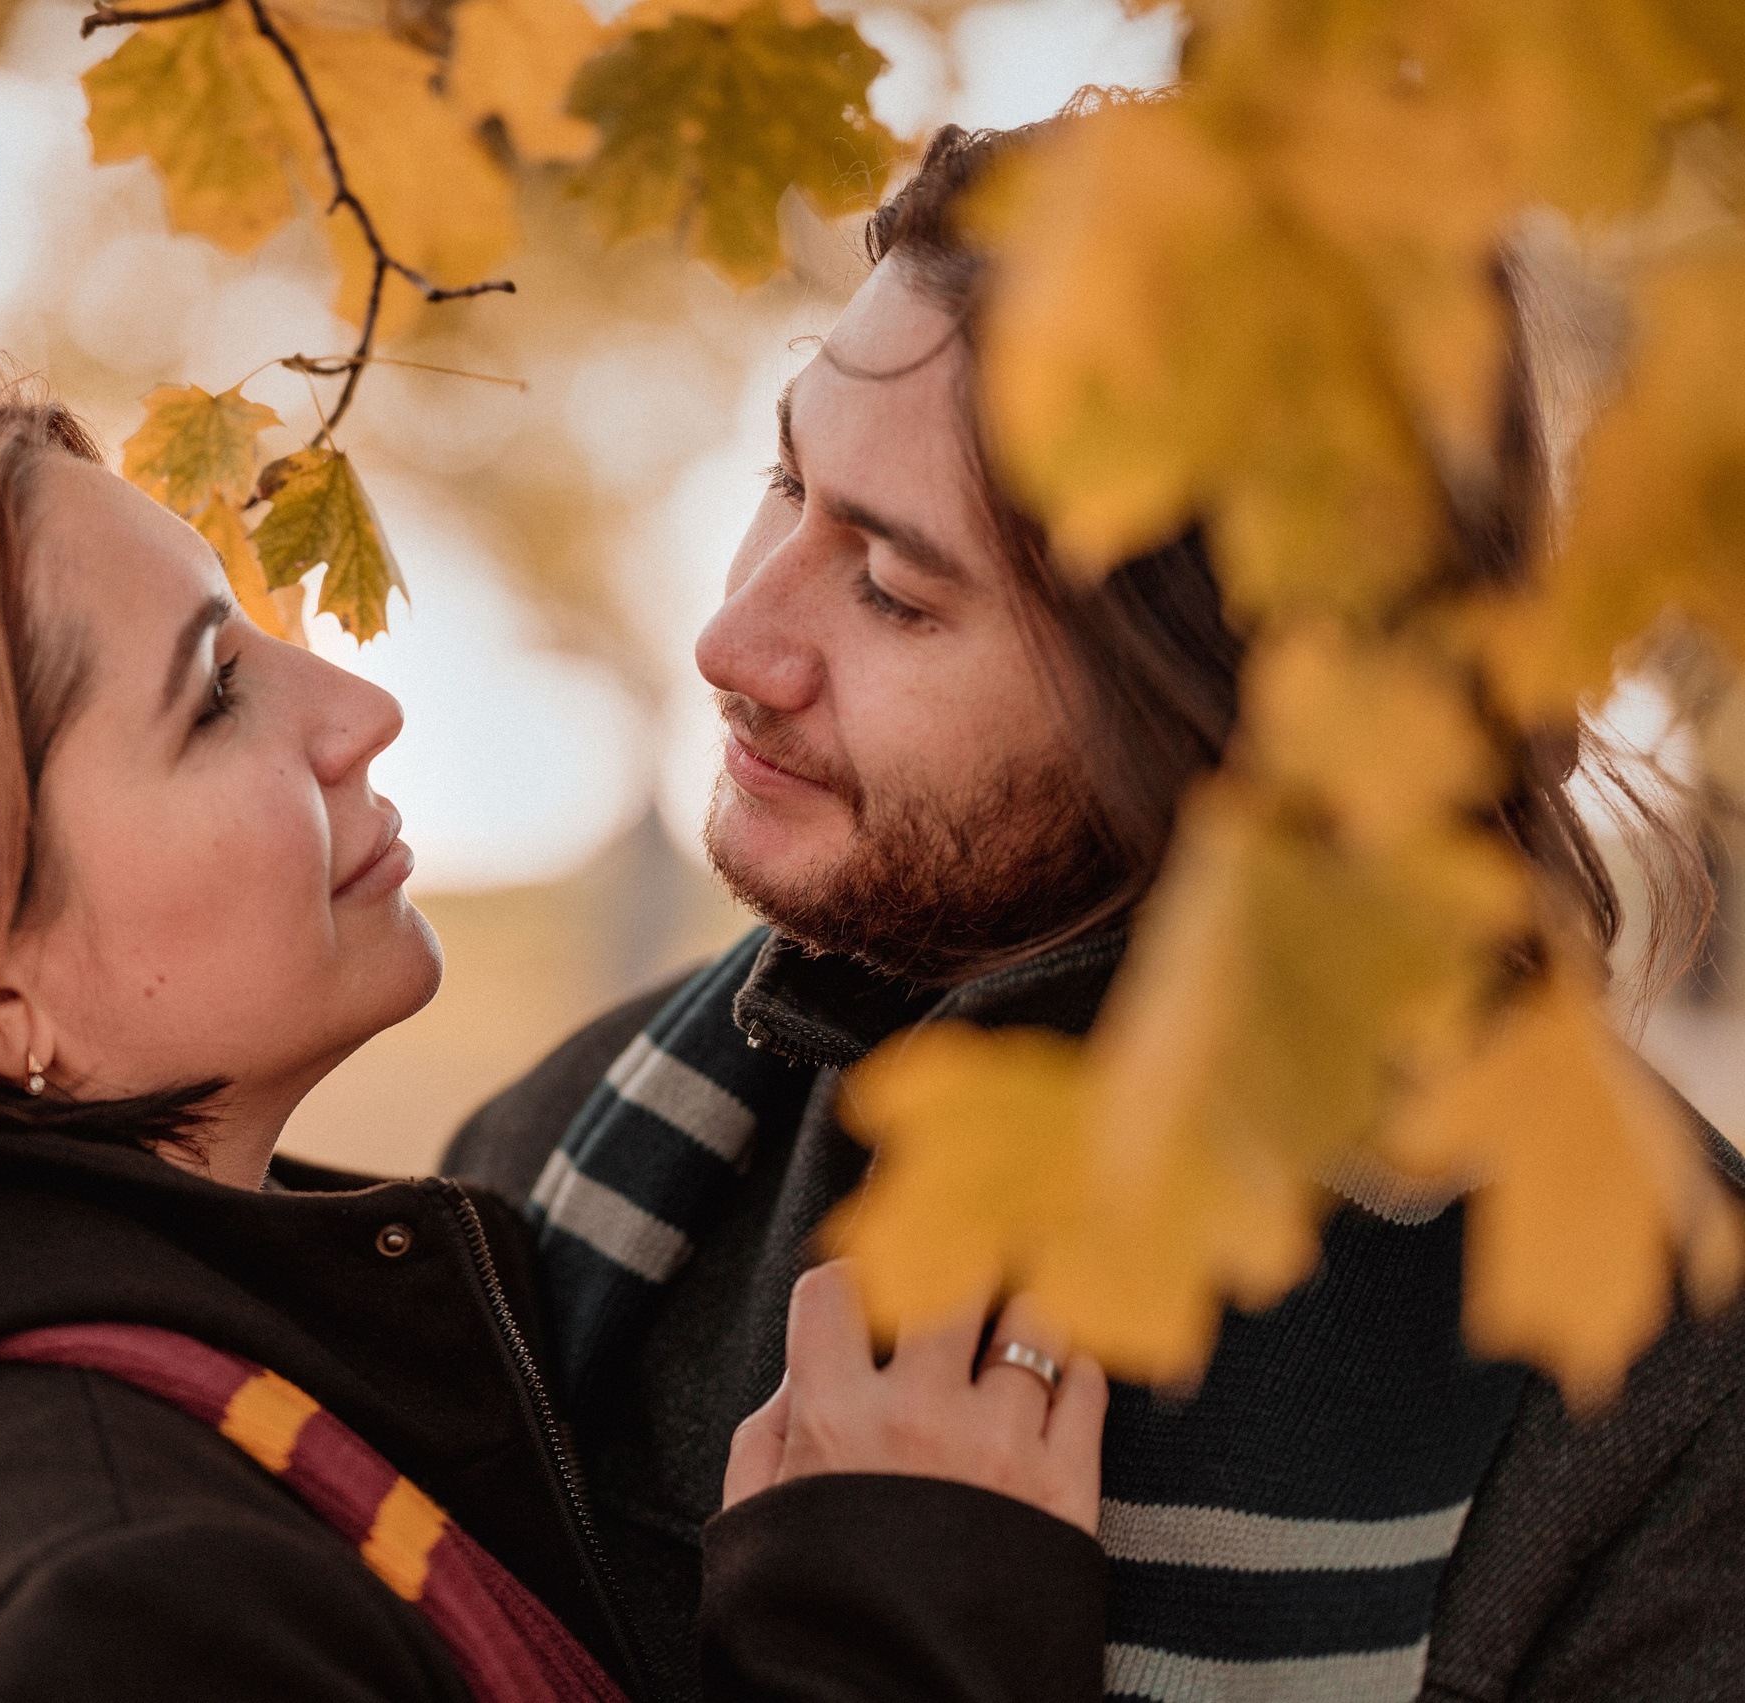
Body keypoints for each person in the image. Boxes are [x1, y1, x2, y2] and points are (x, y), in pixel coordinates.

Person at [0, 395, 1117, 1703]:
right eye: (210, 695)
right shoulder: (111, 1620)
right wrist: (900, 1636)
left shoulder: (33, 1432)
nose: (355, 707)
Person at [446, 117, 1745, 1703]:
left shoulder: (1659, 1375)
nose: (736, 639)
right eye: (789, 480)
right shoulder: (580, 1157)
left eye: (895, 589)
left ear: (1219, 700)